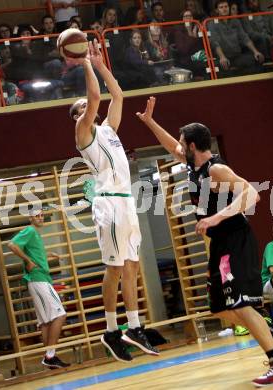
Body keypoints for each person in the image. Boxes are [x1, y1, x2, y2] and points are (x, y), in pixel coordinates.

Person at [136, 96, 273, 387]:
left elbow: (252, 195)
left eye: (184, 143)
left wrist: (215, 218)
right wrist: (149, 122)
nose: (179, 147)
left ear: (193, 146)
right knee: (221, 307)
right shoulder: (192, 165)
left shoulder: (215, 170)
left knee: (240, 303)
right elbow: (171, 145)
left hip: (235, 239)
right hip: (220, 244)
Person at [68, 40, 159, 362]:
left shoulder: (108, 130)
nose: (87, 106)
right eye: (81, 107)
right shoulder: (84, 131)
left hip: (126, 201)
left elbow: (116, 95)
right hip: (108, 203)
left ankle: (133, 326)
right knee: (115, 268)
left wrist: (101, 63)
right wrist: (85, 64)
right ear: (79, 116)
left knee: (132, 266)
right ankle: (109, 330)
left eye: (86, 106)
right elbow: (95, 97)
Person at [8, 209, 69, 369]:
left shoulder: (35, 234)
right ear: (30, 218)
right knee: (60, 315)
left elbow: (36, 253)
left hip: (39, 279)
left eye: (42, 215)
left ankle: (50, 357)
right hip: (38, 278)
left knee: (46, 322)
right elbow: (12, 245)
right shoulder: (29, 230)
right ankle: (50, 356)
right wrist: (27, 261)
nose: (40, 218)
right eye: (37, 215)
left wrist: (49, 254)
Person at [208, 0, 264, 77]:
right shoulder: (212, 23)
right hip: (223, 57)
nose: (224, 9)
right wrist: (222, 57)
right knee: (221, 67)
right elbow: (214, 42)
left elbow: (244, 38)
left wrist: (256, 51)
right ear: (217, 10)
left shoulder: (235, 21)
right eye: (221, 7)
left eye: (226, 7)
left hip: (237, 55)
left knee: (255, 60)